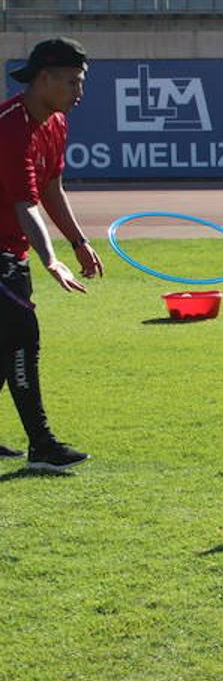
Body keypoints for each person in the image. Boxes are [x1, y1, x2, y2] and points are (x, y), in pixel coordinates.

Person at [0, 37, 101, 471]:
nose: (80, 92)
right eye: (73, 82)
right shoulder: (10, 127)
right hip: (3, 251)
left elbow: (50, 189)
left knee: (6, 346)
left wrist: (78, 242)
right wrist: (50, 259)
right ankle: (42, 445)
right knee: (22, 337)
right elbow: (25, 203)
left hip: (10, 247)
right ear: (44, 78)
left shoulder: (55, 121)